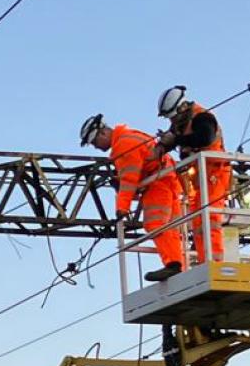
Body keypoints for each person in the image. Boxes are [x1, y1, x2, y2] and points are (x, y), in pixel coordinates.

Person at [79, 114, 185, 282]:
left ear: (103, 134)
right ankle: (178, 265)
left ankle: (173, 265)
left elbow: (129, 180)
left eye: (94, 143)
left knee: (155, 224)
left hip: (159, 183)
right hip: (166, 179)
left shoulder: (123, 145)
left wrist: (122, 208)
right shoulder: (128, 137)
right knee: (170, 228)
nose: (96, 148)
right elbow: (135, 176)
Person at [154, 86, 230, 263]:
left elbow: (204, 138)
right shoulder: (180, 123)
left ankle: (215, 263)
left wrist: (176, 140)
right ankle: (206, 261)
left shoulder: (203, 118)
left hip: (215, 174)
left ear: (181, 107)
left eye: (172, 115)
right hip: (199, 178)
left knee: (209, 219)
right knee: (197, 221)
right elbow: (172, 138)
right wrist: (161, 147)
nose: (172, 120)